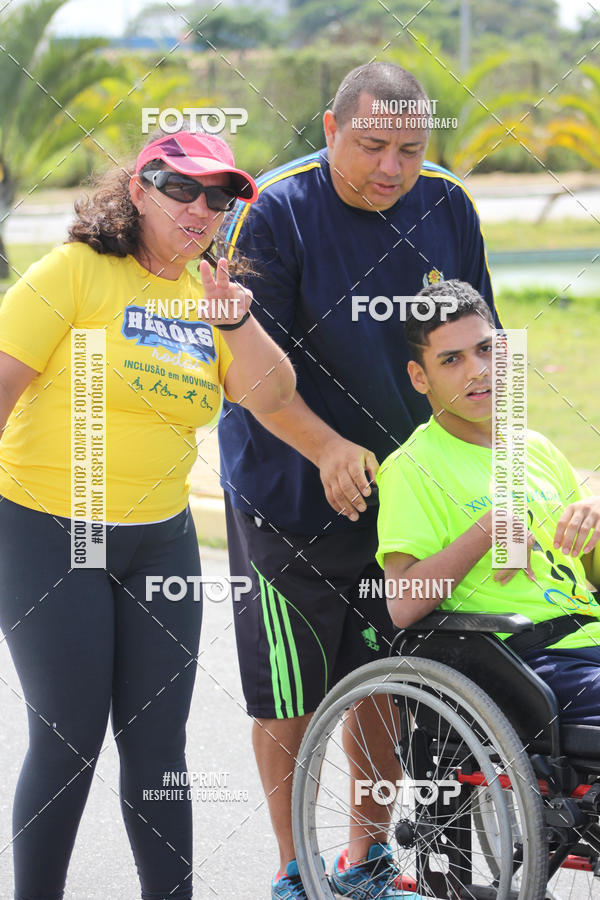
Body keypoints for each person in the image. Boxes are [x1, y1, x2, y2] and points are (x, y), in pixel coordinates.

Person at [218, 61, 499, 898]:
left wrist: (506, 459)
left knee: (381, 674)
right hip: (290, 491)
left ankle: (368, 856)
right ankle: (295, 868)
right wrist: (328, 449)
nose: (392, 167)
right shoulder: (274, 211)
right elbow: (242, 365)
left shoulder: (449, 203)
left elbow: (486, 346)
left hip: (411, 495)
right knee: (294, 688)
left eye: (411, 149)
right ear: (332, 129)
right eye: (372, 145)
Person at [0, 130, 295, 900]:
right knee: (67, 742)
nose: (202, 208)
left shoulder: (209, 293)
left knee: (160, 747)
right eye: (182, 189)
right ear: (138, 190)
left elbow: (271, 396)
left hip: (160, 538)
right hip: (48, 526)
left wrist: (236, 321)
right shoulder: (76, 271)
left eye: (219, 195)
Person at [377, 279, 600, 725]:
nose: (477, 370)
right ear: (420, 377)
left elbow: (590, 570)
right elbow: (402, 604)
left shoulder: (534, 447)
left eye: (485, 350)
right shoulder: (413, 467)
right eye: (452, 360)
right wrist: (487, 528)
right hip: (530, 663)